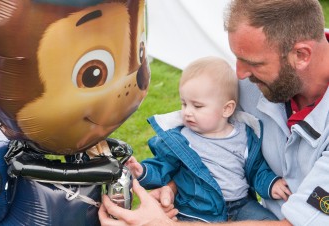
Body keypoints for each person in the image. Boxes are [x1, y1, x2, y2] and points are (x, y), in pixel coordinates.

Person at [98, 0, 329, 225]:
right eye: (236, 58)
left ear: (301, 55)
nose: (239, 75)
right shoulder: (259, 82)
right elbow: (207, 147)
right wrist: (175, 188)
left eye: (253, 63)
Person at [124, 56, 290, 222]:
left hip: (241, 204)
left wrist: (270, 184)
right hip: (197, 209)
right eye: (184, 103)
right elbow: (164, 165)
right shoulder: (182, 139)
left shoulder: (244, 135)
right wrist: (143, 171)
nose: (187, 112)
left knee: (266, 221)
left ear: (226, 109)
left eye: (197, 106)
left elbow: (256, 169)